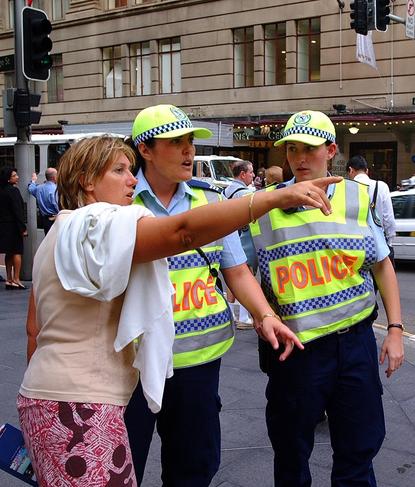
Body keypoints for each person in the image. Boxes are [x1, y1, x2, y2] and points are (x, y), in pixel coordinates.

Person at [17, 135, 335, 487]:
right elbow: (183, 233)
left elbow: (35, 329)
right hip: (82, 405)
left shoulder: (61, 230)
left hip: (45, 398)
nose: (132, 179)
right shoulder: (100, 225)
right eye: (120, 170)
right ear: (87, 181)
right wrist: (276, 196)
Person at [122, 104, 331, 487]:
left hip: (197, 363)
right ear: (146, 150)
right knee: (121, 469)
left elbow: (236, 270)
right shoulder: (120, 203)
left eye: (191, 142)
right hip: (129, 366)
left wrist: (265, 315)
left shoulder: (210, 202)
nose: (189, 151)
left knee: (194, 469)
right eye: (176, 142)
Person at [251, 110, 404, 487]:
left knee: (359, 449)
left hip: (355, 344)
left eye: (310, 149)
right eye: (292, 149)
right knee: (290, 452)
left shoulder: (357, 198)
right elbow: (236, 269)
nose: (300, 158)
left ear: (331, 150)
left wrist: (396, 329)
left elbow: (382, 264)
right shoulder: (263, 205)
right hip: (297, 350)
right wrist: (261, 313)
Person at [224, 160, 258, 329]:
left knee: (232, 279)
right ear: (242, 174)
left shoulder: (227, 189)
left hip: (231, 236)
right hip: (245, 238)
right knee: (247, 274)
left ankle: (230, 315)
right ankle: (244, 318)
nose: (253, 175)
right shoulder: (245, 193)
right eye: (251, 172)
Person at [346, 155, 397, 255]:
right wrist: (389, 243)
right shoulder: (381, 186)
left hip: (355, 246)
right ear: (367, 171)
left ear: (350, 170)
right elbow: (389, 219)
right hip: (379, 244)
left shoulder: (346, 188)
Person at [0, 166, 27, 290]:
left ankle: (9, 279)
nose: (17, 177)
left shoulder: (2, 190)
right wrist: (22, 227)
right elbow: (18, 210)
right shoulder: (13, 191)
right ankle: (16, 279)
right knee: (17, 251)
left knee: (8, 253)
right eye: (14, 175)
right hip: (14, 226)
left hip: (4, 226)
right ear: (8, 179)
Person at [28, 167, 59, 235]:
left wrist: (33, 181)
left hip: (45, 220)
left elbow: (31, 189)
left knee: (48, 241)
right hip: (55, 219)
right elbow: (57, 205)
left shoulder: (39, 188)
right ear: (54, 177)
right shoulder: (55, 190)